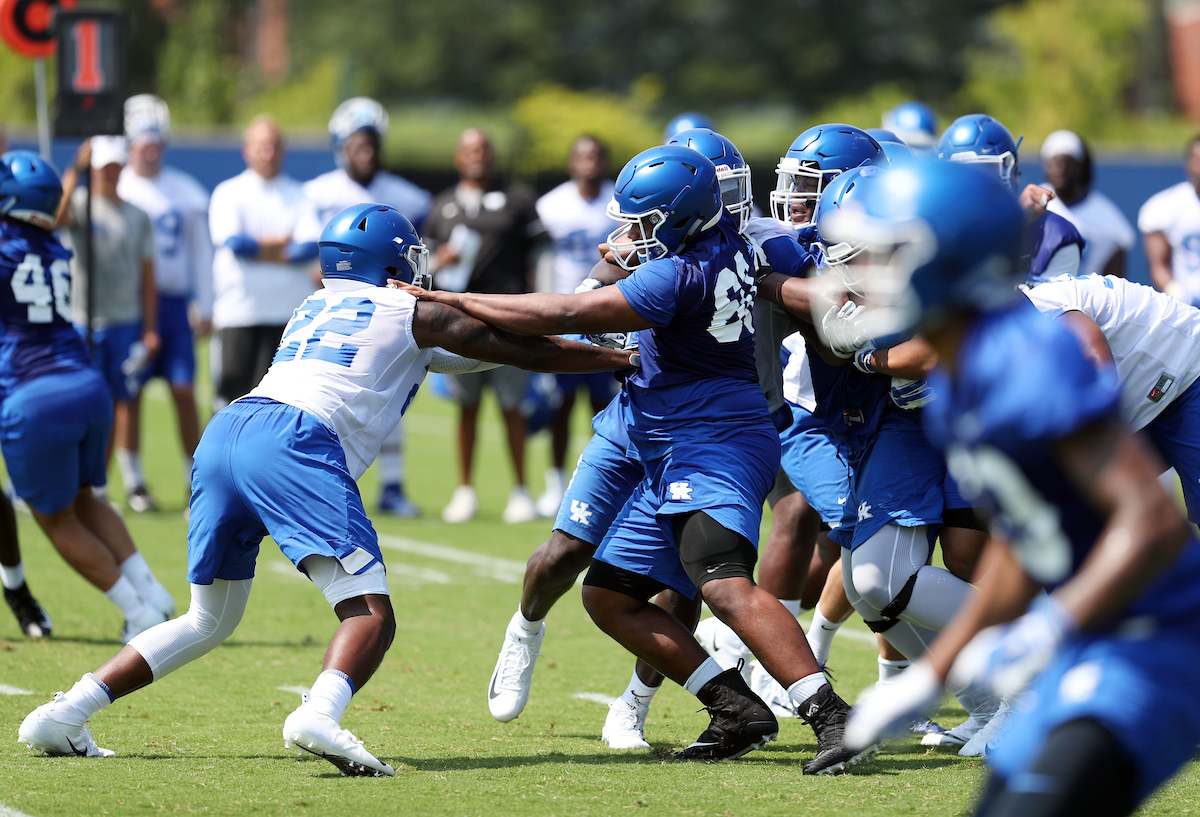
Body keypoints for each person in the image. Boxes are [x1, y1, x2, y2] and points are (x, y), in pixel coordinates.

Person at [17, 202, 636, 772]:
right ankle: (318, 714)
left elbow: (473, 352)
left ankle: (66, 712)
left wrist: (579, 300)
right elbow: (525, 350)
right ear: (392, 259)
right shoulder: (412, 309)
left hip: (230, 429)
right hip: (293, 441)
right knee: (370, 614)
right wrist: (619, 357)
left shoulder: (312, 305)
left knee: (208, 618)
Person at [401, 144, 873, 774]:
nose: (627, 235)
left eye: (642, 222)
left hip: (713, 439)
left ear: (680, 219)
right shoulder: (726, 245)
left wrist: (455, 301)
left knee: (721, 578)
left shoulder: (679, 273)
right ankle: (734, 708)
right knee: (608, 594)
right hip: (669, 434)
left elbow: (567, 313)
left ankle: (831, 715)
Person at [841, 159, 1200, 817]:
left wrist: (1048, 627)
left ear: (947, 260)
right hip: (1092, 639)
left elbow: (1150, 519)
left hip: (1153, 639)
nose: (865, 273)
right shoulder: (955, 383)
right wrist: (929, 675)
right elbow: (1022, 538)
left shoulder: (1026, 355)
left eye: (888, 254)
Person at [0, 150, 174, 641]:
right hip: (87, 384)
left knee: (55, 520)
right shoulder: (55, 248)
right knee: (85, 498)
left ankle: (137, 614)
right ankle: (152, 592)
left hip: (34, 395)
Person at [302, 97, 433, 518]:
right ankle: (322, 483)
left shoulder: (407, 195)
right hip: (334, 309)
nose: (366, 153)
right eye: (357, 144)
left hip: (387, 309)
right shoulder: (317, 192)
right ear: (340, 145)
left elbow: (424, 250)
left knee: (392, 391)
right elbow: (307, 255)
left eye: (372, 144)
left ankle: (392, 485)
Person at [422, 128, 546, 524]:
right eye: (470, 150)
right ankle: (465, 491)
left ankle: (521, 490)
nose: (478, 156)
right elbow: (422, 265)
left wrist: (543, 309)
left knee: (513, 407)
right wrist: (440, 259)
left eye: (484, 149)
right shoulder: (443, 205)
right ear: (458, 158)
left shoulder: (519, 199)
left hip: (509, 318)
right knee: (467, 407)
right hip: (459, 323)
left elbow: (541, 257)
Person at [118, 94, 213, 511]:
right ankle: (134, 481)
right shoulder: (117, 185)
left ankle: (195, 480)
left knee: (183, 389)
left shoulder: (184, 191)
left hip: (173, 305)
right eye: (143, 142)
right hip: (129, 305)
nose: (150, 150)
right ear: (129, 143)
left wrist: (206, 304)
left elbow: (200, 255)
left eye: (156, 142)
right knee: (129, 393)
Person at [57, 137, 160, 512]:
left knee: (126, 400)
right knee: (85, 401)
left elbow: (148, 276)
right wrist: (75, 168)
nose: (110, 174)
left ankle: (131, 481)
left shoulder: (137, 215)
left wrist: (149, 328)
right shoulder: (82, 204)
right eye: (103, 168)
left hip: (125, 321)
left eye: (116, 167)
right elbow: (56, 215)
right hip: (83, 320)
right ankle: (86, 479)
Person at [532, 135, 619, 517]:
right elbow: (538, 260)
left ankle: (607, 480)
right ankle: (555, 482)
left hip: (610, 315)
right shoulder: (551, 205)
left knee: (607, 406)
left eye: (596, 156)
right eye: (583, 156)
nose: (590, 163)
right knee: (561, 406)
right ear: (571, 161)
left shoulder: (619, 201)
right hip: (565, 313)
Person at [208, 116, 320, 409]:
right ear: (247, 150)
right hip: (239, 312)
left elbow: (307, 248)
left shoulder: (300, 195)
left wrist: (260, 248)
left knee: (278, 404)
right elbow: (235, 244)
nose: (268, 154)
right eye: (261, 147)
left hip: (287, 316)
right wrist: (281, 242)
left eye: (273, 147)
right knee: (230, 401)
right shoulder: (228, 192)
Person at [937, 114, 1084, 281]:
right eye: (962, 176)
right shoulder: (934, 234)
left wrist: (1013, 226)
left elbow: (1039, 306)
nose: (975, 186)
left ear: (1013, 171)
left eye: (986, 171)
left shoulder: (1054, 234)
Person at [1040, 129, 1134, 277]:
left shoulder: (1108, 220)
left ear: (1080, 167)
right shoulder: (1033, 203)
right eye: (1054, 162)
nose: (1059, 169)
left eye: (1066, 162)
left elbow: (1116, 281)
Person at [1139, 133, 1200, 306]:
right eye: (1197, 160)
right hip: (1187, 306)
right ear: (1188, 165)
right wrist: (1177, 294)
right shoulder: (1166, 207)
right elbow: (1158, 264)